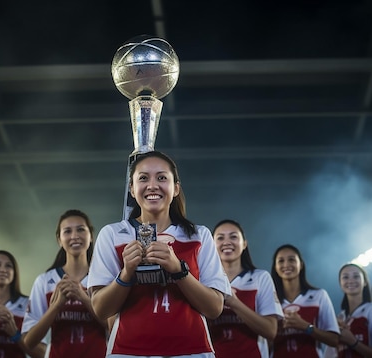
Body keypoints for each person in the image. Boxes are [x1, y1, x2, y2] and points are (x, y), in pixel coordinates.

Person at [88, 150, 232, 358]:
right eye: (143, 178)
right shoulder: (112, 234)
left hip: (192, 351)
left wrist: (178, 270)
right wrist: (126, 273)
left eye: (162, 178)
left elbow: (214, 308)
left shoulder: (199, 235)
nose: (152, 185)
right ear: (132, 188)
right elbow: (101, 309)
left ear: (176, 188)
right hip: (128, 352)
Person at [22, 209, 107, 358]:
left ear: (91, 236)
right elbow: (29, 342)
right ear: (59, 240)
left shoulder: (104, 277)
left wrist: (83, 298)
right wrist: (55, 307)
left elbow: (115, 327)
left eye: (80, 229)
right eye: (67, 231)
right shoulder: (44, 282)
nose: (74, 236)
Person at [208, 219, 283, 358]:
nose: (227, 242)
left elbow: (271, 331)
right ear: (211, 245)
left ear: (244, 244)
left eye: (233, 236)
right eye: (220, 238)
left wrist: (233, 302)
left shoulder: (260, 277)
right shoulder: (204, 280)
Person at [270, 244, 339, 357]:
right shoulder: (270, 299)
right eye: (281, 261)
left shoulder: (319, 295)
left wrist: (306, 327)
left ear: (301, 264)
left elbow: (334, 340)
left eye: (291, 260)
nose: (286, 264)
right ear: (275, 267)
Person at [331, 263, 372, 358]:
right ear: (340, 283)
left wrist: (353, 342)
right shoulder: (340, 317)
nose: (351, 280)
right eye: (345, 277)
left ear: (365, 282)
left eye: (356, 276)